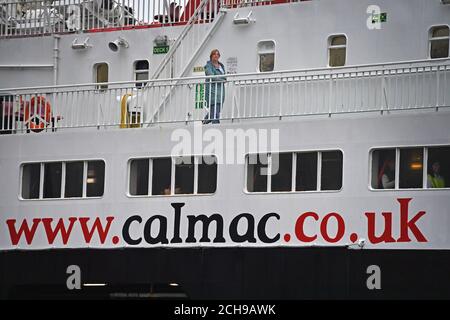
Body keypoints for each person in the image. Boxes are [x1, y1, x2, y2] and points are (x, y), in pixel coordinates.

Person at [203, 49, 226, 124]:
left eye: (217, 54)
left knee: (215, 111)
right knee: (215, 113)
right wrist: (221, 79)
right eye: (214, 54)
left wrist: (220, 78)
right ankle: (216, 127)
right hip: (212, 91)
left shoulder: (221, 66)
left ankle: (202, 123)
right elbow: (211, 76)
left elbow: (225, 77)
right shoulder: (208, 66)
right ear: (211, 56)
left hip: (220, 92)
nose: (216, 55)